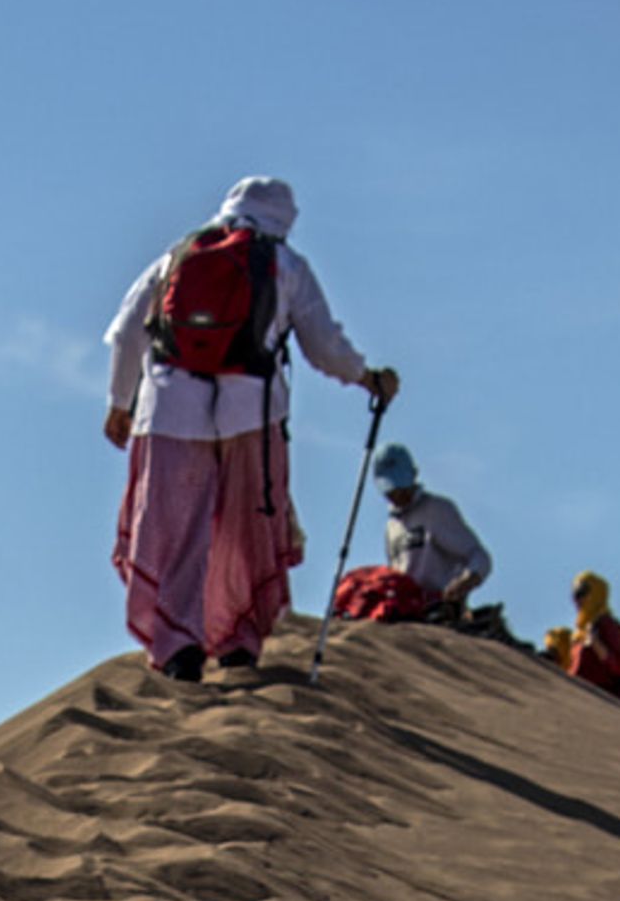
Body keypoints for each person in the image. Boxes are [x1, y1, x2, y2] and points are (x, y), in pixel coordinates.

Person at [106, 177, 396, 681]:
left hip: (170, 412)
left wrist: (119, 403)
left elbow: (129, 328)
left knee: (176, 530)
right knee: (245, 531)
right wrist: (367, 378)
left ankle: (179, 646)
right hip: (252, 415)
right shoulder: (286, 264)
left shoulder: (177, 256)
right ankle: (237, 641)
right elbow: (324, 345)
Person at [375, 445, 492, 616]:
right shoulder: (392, 526)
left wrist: (465, 582)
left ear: (414, 476)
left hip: (438, 608)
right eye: (392, 490)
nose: (398, 495)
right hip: (404, 609)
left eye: (402, 487)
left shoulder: (437, 510)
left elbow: (479, 557)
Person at [565, 570, 620, 713]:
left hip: (600, 704)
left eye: (582, 593)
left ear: (597, 594)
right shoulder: (580, 632)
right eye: (574, 594)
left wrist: (598, 646)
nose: (577, 600)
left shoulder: (606, 625)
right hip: (576, 699)